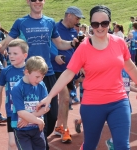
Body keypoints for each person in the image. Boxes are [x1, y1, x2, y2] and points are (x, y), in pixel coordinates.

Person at [37, 5, 137, 150]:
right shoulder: (84, 48)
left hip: (119, 102)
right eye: (95, 24)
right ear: (91, 24)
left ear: (109, 22)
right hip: (92, 105)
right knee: (90, 145)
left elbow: (131, 67)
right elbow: (68, 73)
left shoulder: (119, 43)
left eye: (104, 23)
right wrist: (49, 97)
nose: (100, 27)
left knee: (122, 145)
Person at [0, 1, 78, 149]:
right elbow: (6, 43)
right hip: (29, 76)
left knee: (51, 114)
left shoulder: (50, 22)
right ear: (28, 2)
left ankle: (39, 140)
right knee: (32, 112)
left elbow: (60, 44)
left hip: (48, 74)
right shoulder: (21, 22)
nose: (37, 2)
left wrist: (72, 43)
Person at [50, 6, 85, 143]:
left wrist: (81, 65)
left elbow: (76, 51)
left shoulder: (74, 31)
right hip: (56, 70)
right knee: (64, 98)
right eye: (77, 18)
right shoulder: (55, 28)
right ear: (69, 15)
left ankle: (59, 126)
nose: (78, 21)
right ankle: (65, 129)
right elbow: (48, 45)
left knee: (66, 100)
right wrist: (55, 57)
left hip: (71, 70)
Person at [0, 39, 28, 150]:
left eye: (15, 53)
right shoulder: (6, 71)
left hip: (29, 112)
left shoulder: (30, 70)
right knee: (12, 142)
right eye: (9, 53)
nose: (11, 56)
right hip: (12, 112)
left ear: (25, 55)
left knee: (26, 142)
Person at [11, 56, 50, 150]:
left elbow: (46, 107)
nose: (40, 79)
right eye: (37, 76)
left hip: (37, 129)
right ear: (27, 72)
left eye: (42, 77)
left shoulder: (41, 85)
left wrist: (30, 119)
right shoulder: (17, 88)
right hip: (22, 131)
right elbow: (21, 112)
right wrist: (37, 120)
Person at [106, 69, 137, 150]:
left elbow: (127, 86)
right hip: (113, 102)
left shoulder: (127, 70)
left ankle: (112, 142)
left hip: (125, 102)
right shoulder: (114, 68)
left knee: (123, 127)